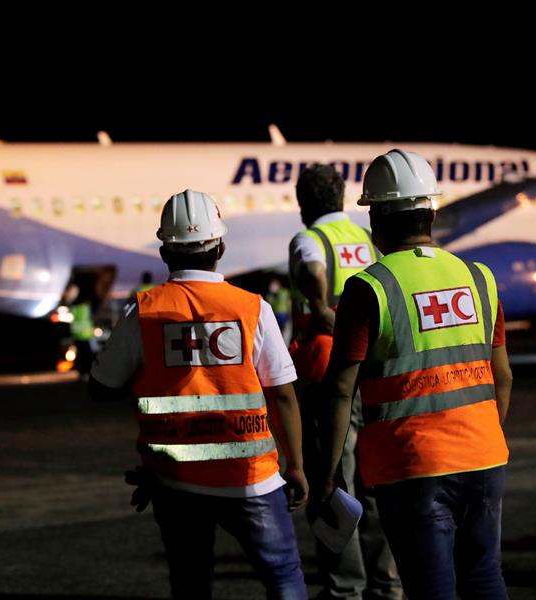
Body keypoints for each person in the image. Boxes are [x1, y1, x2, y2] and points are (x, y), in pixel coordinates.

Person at [90, 189, 309, 600]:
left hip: (176, 479)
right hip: (251, 476)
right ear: (220, 246)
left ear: (164, 251)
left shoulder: (145, 311)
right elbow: (282, 394)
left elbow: (101, 387)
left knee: (191, 583)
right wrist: (295, 465)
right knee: (283, 576)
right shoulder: (252, 307)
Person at [316, 150, 512, 599]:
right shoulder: (478, 277)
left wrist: (329, 474)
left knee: (430, 590)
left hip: (412, 467)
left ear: (378, 219)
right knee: (485, 581)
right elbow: (503, 377)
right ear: (432, 212)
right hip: (484, 458)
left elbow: (340, 391)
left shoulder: (369, 288)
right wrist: (484, 433)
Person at [288, 165, 399, 600]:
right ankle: (387, 585)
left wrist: (320, 306)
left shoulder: (309, 239)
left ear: (303, 204)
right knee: (374, 482)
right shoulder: (364, 240)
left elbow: (314, 271)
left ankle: (344, 588)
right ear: (340, 198)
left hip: (325, 368)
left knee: (333, 481)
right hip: (370, 368)